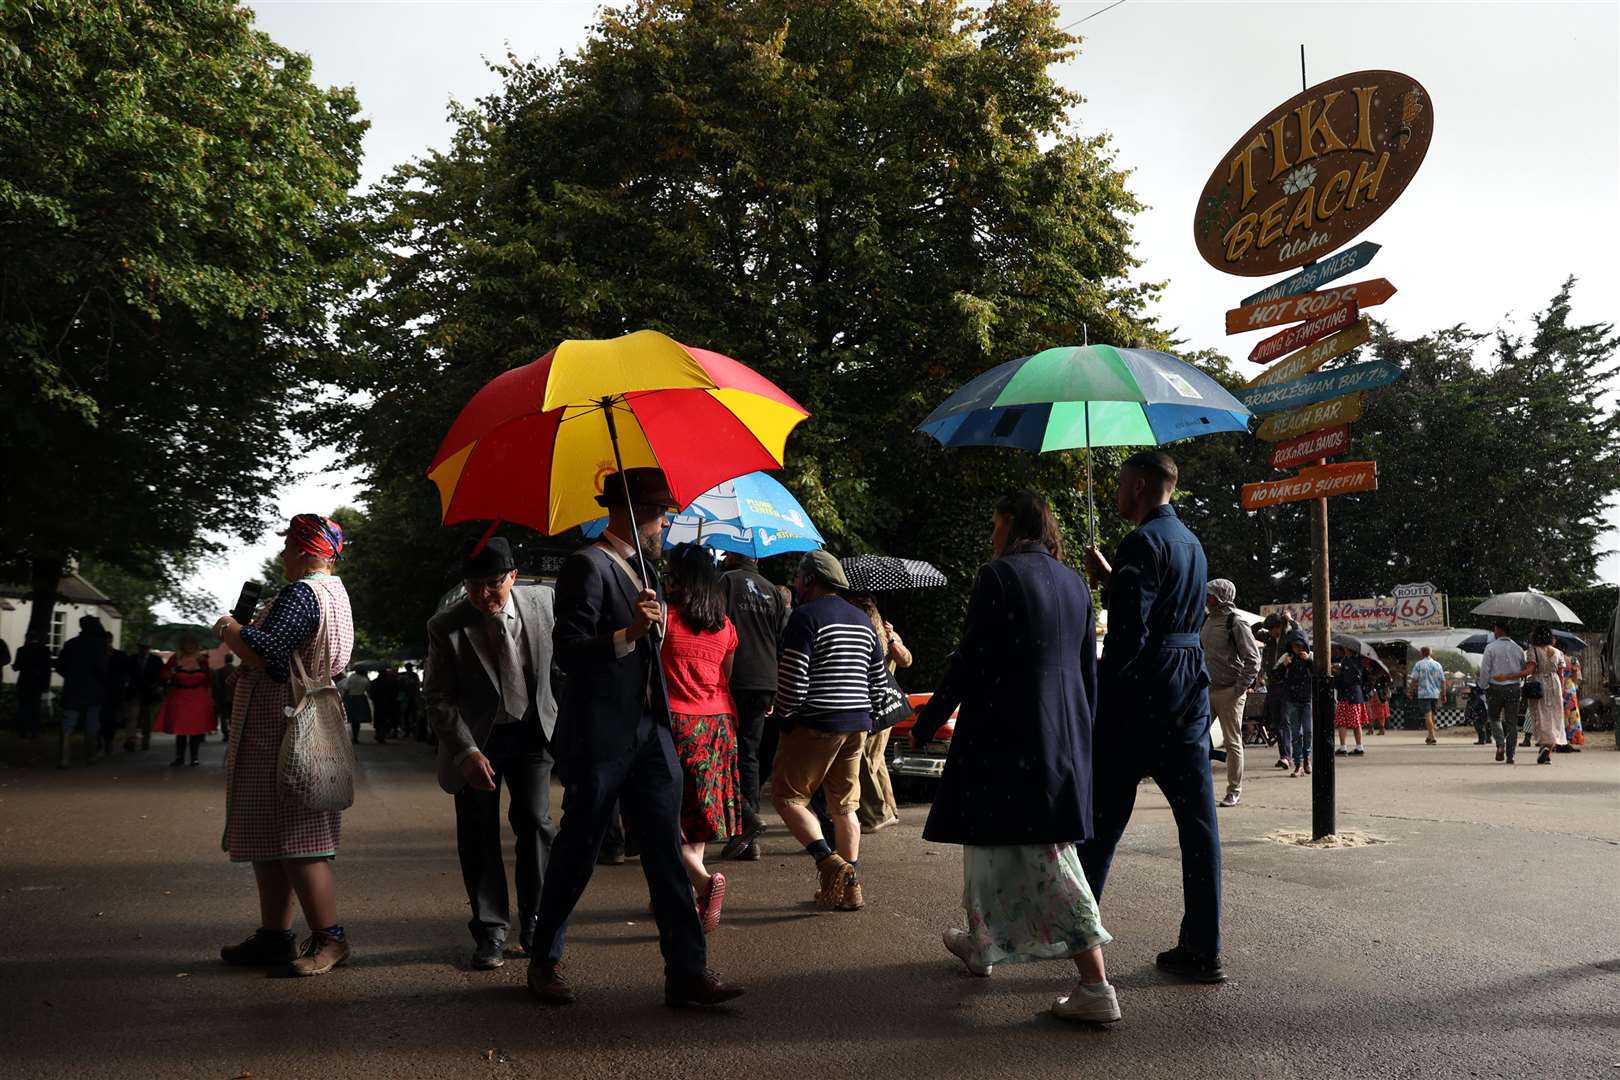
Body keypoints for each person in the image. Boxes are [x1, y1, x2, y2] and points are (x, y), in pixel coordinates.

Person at [528, 468, 741, 1009]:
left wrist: (658, 628)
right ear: (635, 512)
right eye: (662, 513)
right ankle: (544, 961)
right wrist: (629, 634)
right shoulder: (586, 564)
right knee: (578, 849)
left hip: (652, 731)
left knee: (666, 851)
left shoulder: (646, 568)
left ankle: (687, 973)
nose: (666, 523)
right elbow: (571, 650)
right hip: (601, 734)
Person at [914, 491, 1119, 1025]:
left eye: (994, 522)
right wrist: (1083, 737)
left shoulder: (997, 577)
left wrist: (931, 717)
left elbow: (971, 658)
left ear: (1010, 523)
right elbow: (1087, 671)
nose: (991, 534)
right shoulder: (1076, 583)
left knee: (1046, 857)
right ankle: (980, 944)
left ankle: (1096, 984)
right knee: (989, 840)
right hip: (1060, 734)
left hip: (1007, 734)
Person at [1079, 450, 1225, 984]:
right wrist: (1116, 581)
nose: (1116, 493)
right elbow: (1167, 609)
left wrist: (1098, 692)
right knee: (1199, 825)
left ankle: (1079, 933)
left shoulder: (1141, 541)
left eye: (1120, 484)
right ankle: (1202, 947)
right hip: (1190, 687)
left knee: (1100, 823)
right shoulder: (1191, 541)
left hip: (1141, 694)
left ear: (1140, 486)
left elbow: (1130, 636)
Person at [213, 514, 355, 977]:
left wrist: (228, 629)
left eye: (288, 546)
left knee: (299, 835)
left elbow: (267, 651)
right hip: (306, 715)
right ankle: (274, 936)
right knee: (273, 837)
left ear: (302, 548)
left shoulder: (302, 593)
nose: (282, 556)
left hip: (283, 726)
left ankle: (330, 939)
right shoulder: (336, 593)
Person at [426, 537, 559, 970]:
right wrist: (464, 751)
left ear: (513, 577)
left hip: (533, 731)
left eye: (492, 585)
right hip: (477, 739)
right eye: (473, 585)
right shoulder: (446, 625)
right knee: (478, 833)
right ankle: (491, 930)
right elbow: (439, 698)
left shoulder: (545, 603)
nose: (483, 595)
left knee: (537, 824)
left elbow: (573, 659)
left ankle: (537, 921)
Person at [772, 550, 888, 914]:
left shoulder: (805, 617)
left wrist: (785, 715)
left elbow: (794, 679)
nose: (795, 584)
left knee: (788, 799)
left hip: (816, 722)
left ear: (810, 580)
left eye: (798, 578)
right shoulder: (862, 619)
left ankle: (829, 862)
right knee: (844, 805)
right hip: (857, 725)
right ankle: (848, 888)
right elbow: (879, 683)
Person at [660, 542, 745, 933]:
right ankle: (689, 893)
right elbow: (725, 676)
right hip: (719, 725)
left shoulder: (663, 618)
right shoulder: (726, 626)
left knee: (667, 818)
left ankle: (705, 883)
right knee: (699, 816)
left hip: (678, 723)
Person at [719, 551, 787, 861]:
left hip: (732, 677)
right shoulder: (772, 589)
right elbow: (778, 638)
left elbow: (714, 626)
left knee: (721, 752)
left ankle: (742, 823)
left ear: (732, 554)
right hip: (765, 680)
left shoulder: (724, 583)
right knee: (748, 754)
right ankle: (748, 837)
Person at [851, 592, 911, 833]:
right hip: (888, 706)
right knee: (878, 762)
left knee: (868, 759)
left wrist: (893, 640)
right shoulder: (879, 632)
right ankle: (891, 810)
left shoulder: (881, 634)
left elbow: (906, 660)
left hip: (879, 706)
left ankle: (878, 814)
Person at [1200, 579, 1260, 807]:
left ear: (1221, 596)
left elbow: (1253, 658)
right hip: (1207, 689)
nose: (1207, 599)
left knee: (1231, 741)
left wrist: (1239, 688)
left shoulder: (1236, 621)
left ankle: (1233, 790)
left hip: (1229, 691)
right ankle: (1199, 788)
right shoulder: (1208, 619)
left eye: (1211, 595)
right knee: (1196, 737)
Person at [54, 615, 110, 768]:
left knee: (67, 725)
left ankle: (64, 759)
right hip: (93, 690)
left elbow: (59, 667)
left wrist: (72, 677)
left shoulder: (70, 644)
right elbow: (102, 669)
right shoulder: (100, 645)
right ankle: (91, 756)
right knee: (92, 724)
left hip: (72, 689)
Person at [155, 633, 216, 767]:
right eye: (187, 643)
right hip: (180, 696)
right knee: (180, 728)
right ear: (182, 645)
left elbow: (209, 681)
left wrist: (210, 697)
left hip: (198, 697)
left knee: (196, 728)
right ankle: (179, 757)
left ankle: (194, 757)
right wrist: (173, 671)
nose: (190, 646)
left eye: (192, 643)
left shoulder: (202, 660)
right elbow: (164, 676)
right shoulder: (175, 658)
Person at [1479, 622, 1527, 764]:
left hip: (1495, 688)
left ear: (1500, 630)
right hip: (1513, 688)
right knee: (1512, 722)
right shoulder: (1518, 649)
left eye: (1495, 629)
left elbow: (1485, 670)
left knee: (1494, 718)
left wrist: (1484, 686)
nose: (1494, 632)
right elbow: (1522, 670)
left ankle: (1500, 743)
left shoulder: (1490, 648)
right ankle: (1510, 754)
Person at [1256, 613, 1297, 769]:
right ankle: (1284, 755)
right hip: (1272, 684)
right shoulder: (1269, 639)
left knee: (1285, 719)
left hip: (1287, 683)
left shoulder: (1289, 638)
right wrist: (1263, 623)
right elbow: (1253, 631)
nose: (1269, 632)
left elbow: (1299, 632)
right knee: (1277, 721)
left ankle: (1288, 756)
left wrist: (1290, 619)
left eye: (1271, 629)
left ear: (1279, 627)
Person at [1521, 627, 1566, 766]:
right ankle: (1548, 751)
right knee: (1555, 716)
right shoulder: (1558, 652)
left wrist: (1516, 674)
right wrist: (1562, 689)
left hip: (1538, 684)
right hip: (1555, 684)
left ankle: (1544, 746)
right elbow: (1561, 674)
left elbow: (1530, 670)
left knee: (1540, 715)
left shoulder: (1533, 650)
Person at [1275, 634, 1314, 777]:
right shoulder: (1287, 658)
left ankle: (1307, 759)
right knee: (1296, 733)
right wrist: (1284, 665)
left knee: (1308, 731)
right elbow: (1275, 675)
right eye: (1294, 646)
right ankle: (1298, 764)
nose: (1297, 648)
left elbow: (1319, 672)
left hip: (1307, 700)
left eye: (1300, 645)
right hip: (1292, 700)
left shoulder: (1310, 657)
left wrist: (1309, 661)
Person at [12, 630, 52, 740]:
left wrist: (15, 666)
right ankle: (35, 731)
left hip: (24, 682)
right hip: (38, 683)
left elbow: (17, 667)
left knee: (23, 707)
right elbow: (47, 669)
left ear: (27, 638)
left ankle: (23, 732)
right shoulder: (45, 650)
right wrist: (46, 685)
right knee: (36, 708)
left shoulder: (21, 650)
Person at [1332, 651, 1368, 756]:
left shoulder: (1348, 661)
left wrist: (1337, 674)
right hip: (1357, 695)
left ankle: (1343, 747)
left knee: (1342, 722)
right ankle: (1359, 746)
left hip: (1347, 695)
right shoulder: (1360, 661)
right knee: (1356, 723)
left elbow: (1345, 680)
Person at [1409, 647, 1445, 745]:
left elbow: (1414, 680)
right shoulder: (1437, 665)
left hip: (1424, 694)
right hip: (1435, 694)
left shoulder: (1419, 664)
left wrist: (1410, 691)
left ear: (1421, 653)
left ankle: (1432, 736)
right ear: (1430, 653)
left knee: (1427, 715)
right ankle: (1430, 736)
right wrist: (1443, 694)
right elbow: (1443, 681)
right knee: (1433, 714)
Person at [338, 669, 371, 744]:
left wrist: (342, 699)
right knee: (358, 719)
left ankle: (354, 736)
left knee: (353, 718)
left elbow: (346, 688)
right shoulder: (365, 679)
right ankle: (356, 736)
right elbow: (368, 689)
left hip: (351, 698)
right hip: (361, 699)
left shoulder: (351, 677)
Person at [371, 665, 399, 743]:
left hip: (378, 703)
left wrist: (375, 700)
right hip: (388, 703)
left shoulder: (374, 682)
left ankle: (378, 733)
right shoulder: (390, 682)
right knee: (385, 719)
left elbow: (371, 694)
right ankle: (382, 735)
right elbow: (395, 693)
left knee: (378, 719)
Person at [212, 654, 237, 742]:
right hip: (234, 697)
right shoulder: (236, 670)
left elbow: (216, 685)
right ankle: (233, 733)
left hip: (222, 697)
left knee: (223, 716)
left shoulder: (219, 671)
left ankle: (226, 733)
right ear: (232, 659)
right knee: (233, 716)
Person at [1562, 654, 1585, 749]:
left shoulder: (1554, 657)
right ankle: (1572, 738)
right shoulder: (1573, 660)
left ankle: (1559, 738)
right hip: (1570, 687)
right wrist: (1573, 670)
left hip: (1558, 685)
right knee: (1572, 714)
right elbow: (1576, 680)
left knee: (1559, 714)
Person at [399, 663, 424, 741]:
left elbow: (417, 685)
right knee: (407, 714)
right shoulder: (404, 676)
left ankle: (412, 731)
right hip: (407, 697)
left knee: (412, 714)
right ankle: (408, 731)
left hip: (412, 697)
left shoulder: (414, 675)